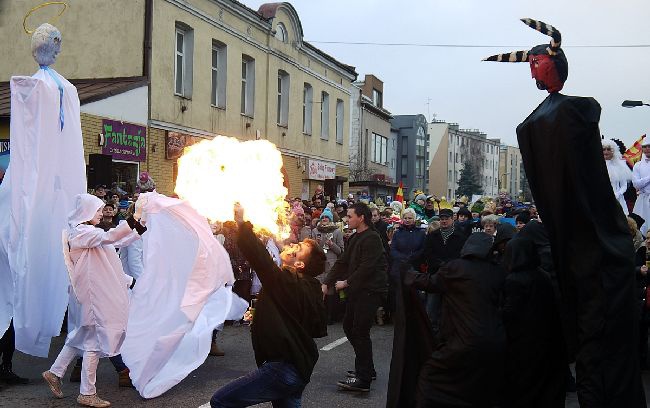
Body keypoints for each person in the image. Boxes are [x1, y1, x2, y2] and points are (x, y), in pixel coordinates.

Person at [485, 17, 645, 406]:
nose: (531, 69)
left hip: (593, 249)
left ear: (552, 62)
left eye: (535, 62)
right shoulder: (541, 122)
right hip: (588, 252)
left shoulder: (576, 111)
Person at [209, 204, 327, 407]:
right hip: (298, 367)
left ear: (299, 265)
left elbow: (261, 260)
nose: (291, 246)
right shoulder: (309, 287)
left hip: (283, 369)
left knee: (221, 401)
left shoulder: (290, 281)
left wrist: (241, 224)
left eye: (297, 250)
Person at [42, 194, 143, 407]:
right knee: (94, 342)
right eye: (97, 210)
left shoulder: (89, 233)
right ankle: (87, 392)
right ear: (86, 212)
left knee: (83, 335)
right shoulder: (82, 233)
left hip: (94, 292)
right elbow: (112, 238)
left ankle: (55, 372)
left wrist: (140, 225)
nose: (101, 214)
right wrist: (134, 218)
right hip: (94, 295)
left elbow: (116, 242)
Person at [398, 233, 507, 407]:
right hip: (495, 340)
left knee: (430, 376)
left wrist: (408, 274)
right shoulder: (497, 271)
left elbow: (430, 283)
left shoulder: (457, 268)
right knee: (476, 384)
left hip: (463, 341)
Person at [325, 202, 388, 392]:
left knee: (360, 331)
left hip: (370, 291)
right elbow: (343, 261)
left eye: (350, 216)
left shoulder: (372, 238)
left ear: (361, 218)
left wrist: (346, 283)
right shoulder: (355, 237)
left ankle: (364, 379)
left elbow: (366, 268)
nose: (347, 219)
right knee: (349, 327)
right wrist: (327, 282)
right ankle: (367, 369)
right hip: (357, 292)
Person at [501, 237, 566, 408]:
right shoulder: (542, 274)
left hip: (524, 340)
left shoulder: (514, 279)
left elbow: (510, 312)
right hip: (546, 337)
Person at [312, 208, 344, 324]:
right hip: (319, 265)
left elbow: (341, 251)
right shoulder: (316, 231)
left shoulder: (337, 232)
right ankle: (319, 316)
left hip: (331, 265)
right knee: (319, 290)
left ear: (330, 219)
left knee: (330, 291)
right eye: (323, 217)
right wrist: (315, 243)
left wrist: (331, 244)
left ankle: (330, 317)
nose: (324, 219)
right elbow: (311, 249)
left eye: (327, 217)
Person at [603, 139, 633, 215]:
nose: (606, 151)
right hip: (602, 198)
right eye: (604, 149)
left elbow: (624, 185)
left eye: (608, 149)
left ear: (613, 151)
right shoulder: (597, 166)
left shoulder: (620, 166)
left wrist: (617, 194)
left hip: (617, 198)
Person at [634, 141, 650, 235]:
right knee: (641, 226)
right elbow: (636, 184)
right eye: (645, 146)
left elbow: (640, 182)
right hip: (642, 200)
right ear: (642, 149)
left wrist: (643, 181)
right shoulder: (638, 165)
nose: (647, 148)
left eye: (649, 146)